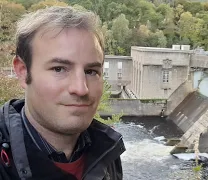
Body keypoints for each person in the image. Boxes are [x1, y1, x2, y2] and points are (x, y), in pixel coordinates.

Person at [0, 6, 125, 180]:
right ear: (22, 71)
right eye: (59, 69)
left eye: (91, 71)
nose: (81, 89)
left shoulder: (107, 151)